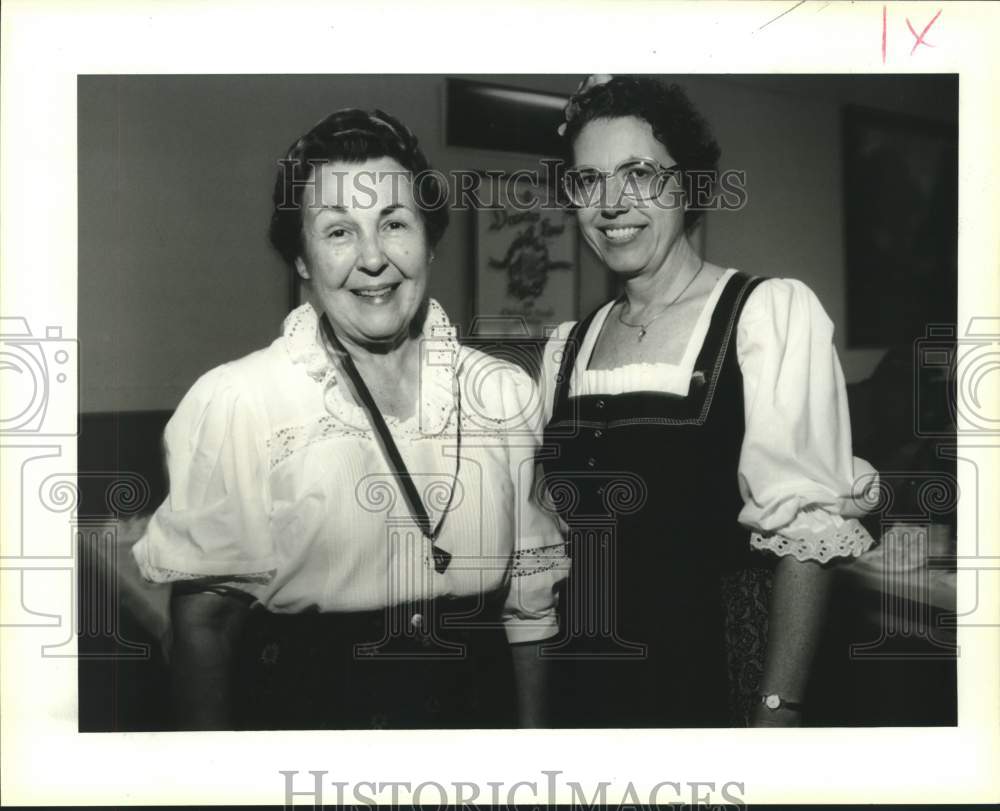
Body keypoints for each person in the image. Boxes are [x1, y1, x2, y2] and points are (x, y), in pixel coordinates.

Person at [132, 108, 566, 730]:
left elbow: (530, 613)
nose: (372, 259)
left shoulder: (500, 393)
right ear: (302, 259)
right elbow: (206, 628)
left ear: (430, 238)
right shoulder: (240, 401)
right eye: (338, 232)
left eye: (394, 224)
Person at [538, 76, 878, 727]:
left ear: (687, 183)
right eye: (588, 180)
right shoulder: (566, 348)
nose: (612, 203)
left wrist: (777, 712)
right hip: (584, 691)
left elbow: (805, 539)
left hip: (710, 687)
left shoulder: (765, 317)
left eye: (638, 173)